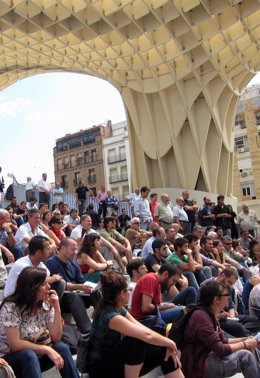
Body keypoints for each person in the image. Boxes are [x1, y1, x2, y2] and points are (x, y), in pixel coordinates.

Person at [88, 270, 184, 378]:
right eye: (129, 290)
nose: (130, 292)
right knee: (136, 341)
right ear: (121, 294)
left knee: (165, 353)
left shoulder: (119, 309)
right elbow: (146, 336)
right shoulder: (110, 316)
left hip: (113, 361)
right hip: (100, 370)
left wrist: (166, 344)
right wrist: (170, 342)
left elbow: (143, 329)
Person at [0, 266, 79, 378]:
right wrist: (46, 349)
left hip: (37, 354)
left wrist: (56, 307)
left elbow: (55, 337)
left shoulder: (44, 304)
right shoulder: (11, 308)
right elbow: (15, 344)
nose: (49, 287)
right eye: (43, 284)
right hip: (11, 358)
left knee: (62, 347)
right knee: (29, 355)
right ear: (32, 288)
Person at [181, 280, 260, 378]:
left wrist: (244, 339)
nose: (228, 297)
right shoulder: (201, 318)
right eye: (226, 294)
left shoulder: (210, 313)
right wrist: (244, 344)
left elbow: (222, 340)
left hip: (207, 356)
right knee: (245, 356)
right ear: (216, 299)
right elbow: (220, 349)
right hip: (199, 365)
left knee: (251, 348)